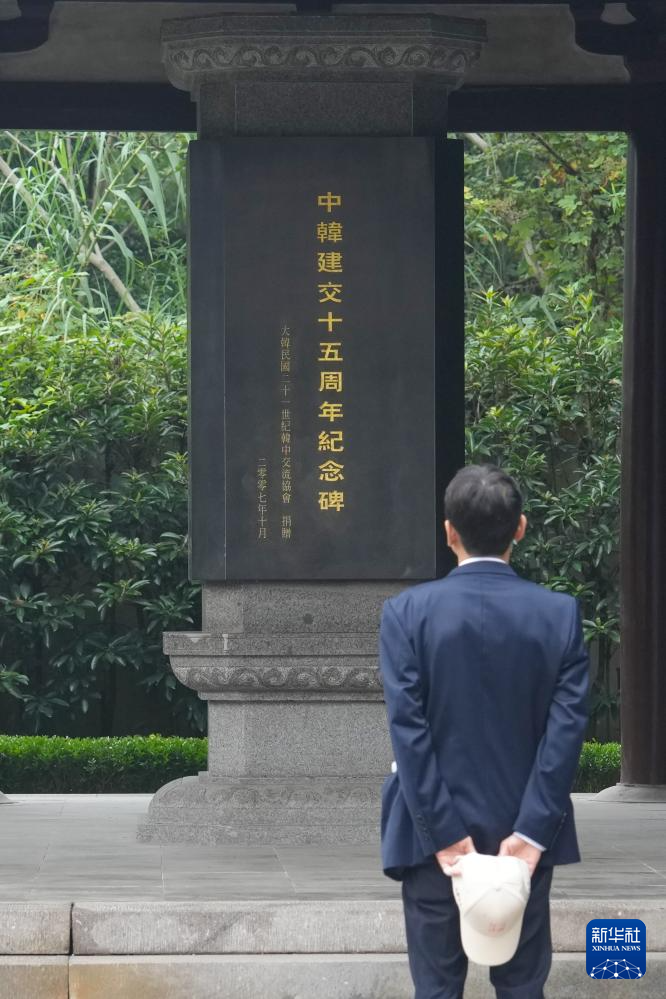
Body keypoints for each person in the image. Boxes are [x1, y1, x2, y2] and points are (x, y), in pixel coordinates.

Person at [379, 463, 590, 999]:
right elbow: (564, 735)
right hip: (522, 834)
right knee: (522, 987)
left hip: (430, 837)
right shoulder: (559, 615)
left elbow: (409, 732)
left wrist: (444, 834)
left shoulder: (406, 614)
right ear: (520, 528)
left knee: (436, 988)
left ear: (449, 532)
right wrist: (533, 833)